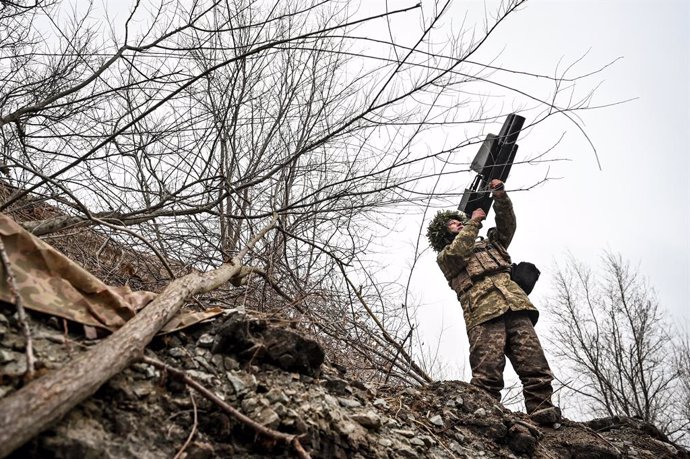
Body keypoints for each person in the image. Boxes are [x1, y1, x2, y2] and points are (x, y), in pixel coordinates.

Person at [426, 179, 560, 425]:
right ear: (444, 235)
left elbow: (507, 225)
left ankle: (543, 413)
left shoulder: (491, 244)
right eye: (452, 224)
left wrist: (500, 196)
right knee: (487, 373)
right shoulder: (446, 257)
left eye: (458, 220)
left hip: (516, 305)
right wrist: (474, 221)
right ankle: (485, 420)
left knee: (535, 366)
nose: (457, 223)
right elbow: (459, 251)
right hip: (482, 313)